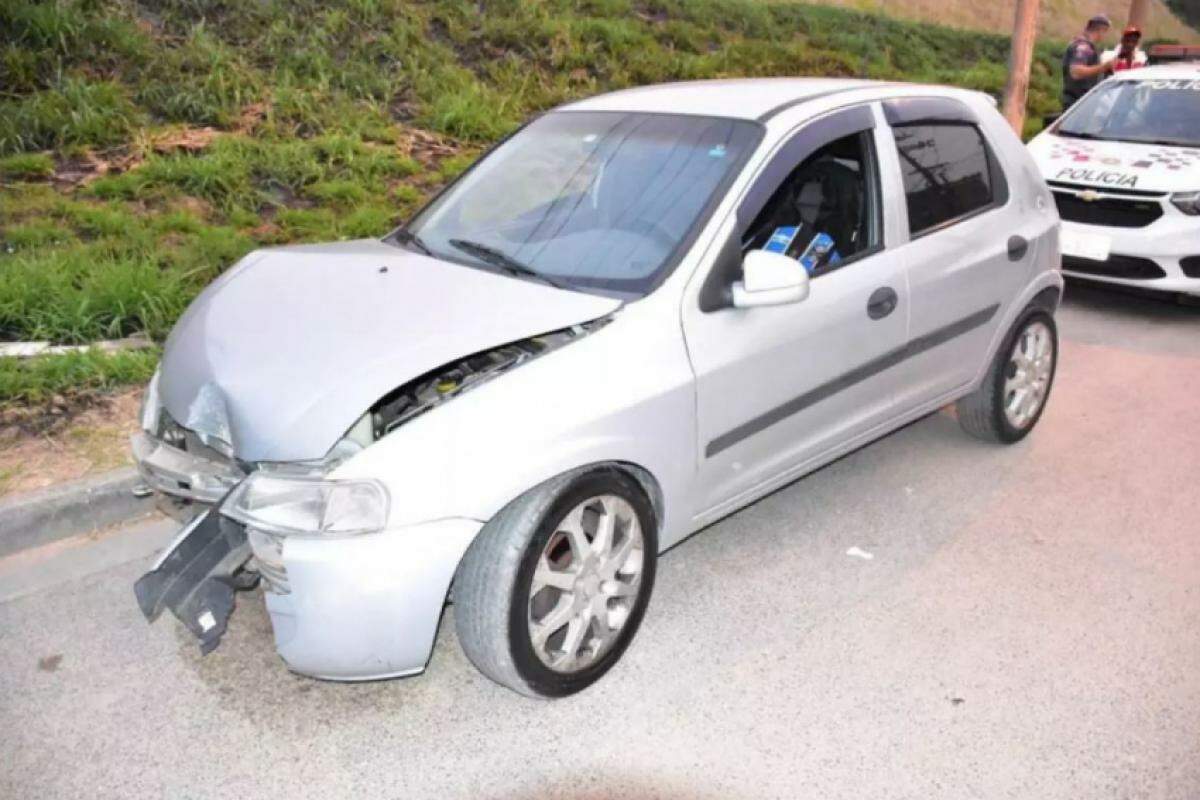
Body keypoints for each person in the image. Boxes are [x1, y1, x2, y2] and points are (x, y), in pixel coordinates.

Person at [1062, 14, 1115, 111]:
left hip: (1080, 102)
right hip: (1078, 103)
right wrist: (1104, 67)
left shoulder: (1083, 45)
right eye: (1105, 31)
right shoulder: (1083, 46)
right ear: (1101, 30)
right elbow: (1076, 72)